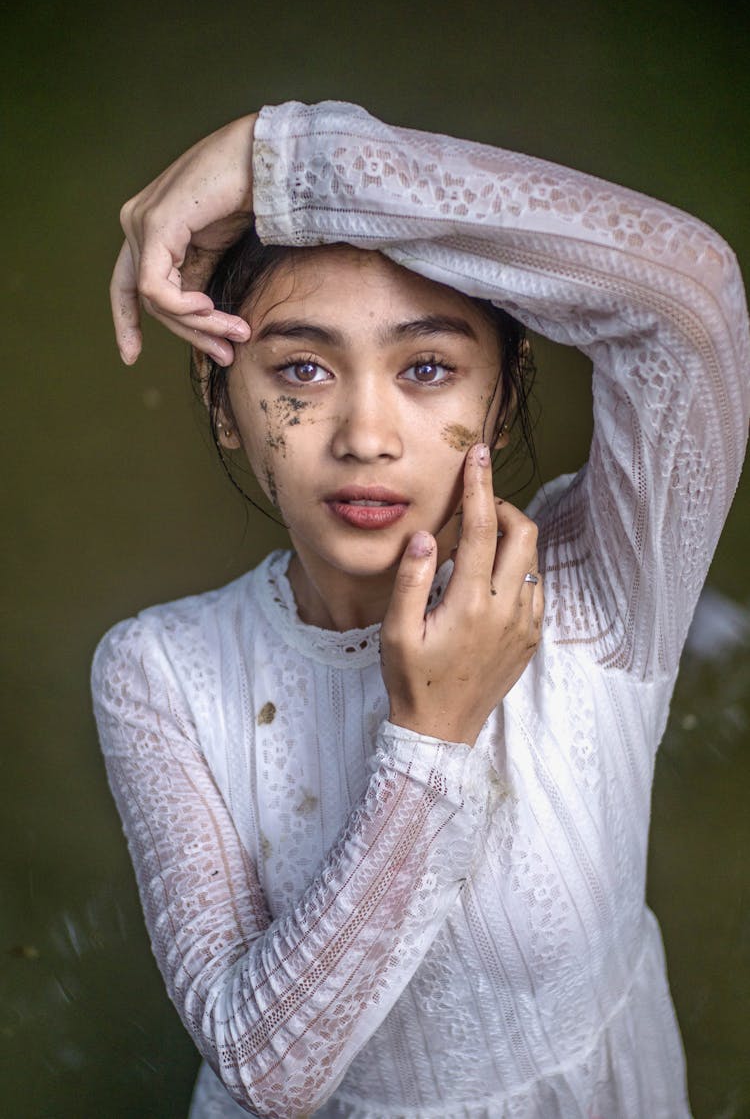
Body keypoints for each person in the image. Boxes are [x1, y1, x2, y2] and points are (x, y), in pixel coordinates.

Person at [93, 101, 749, 1119]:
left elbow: (690, 295)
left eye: (428, 369)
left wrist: (286, 159)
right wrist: (431, 738)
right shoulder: (160, 670)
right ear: (225, 403)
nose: (367, 434)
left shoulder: (596, 584)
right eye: (303, 369)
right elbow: (263, 1066)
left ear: (500, 392)